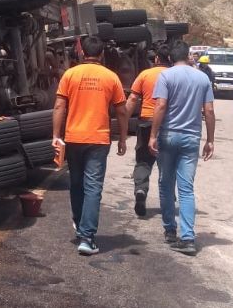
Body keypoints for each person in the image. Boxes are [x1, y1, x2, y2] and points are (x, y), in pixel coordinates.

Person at [52, 36, 128, 256]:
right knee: (93, 186)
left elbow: (59, 106)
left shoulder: (70, 74)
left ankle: (79, 225)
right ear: (101, 54)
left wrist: (55, 136)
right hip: (98, 139)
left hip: (74, 138)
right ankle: (87, 238)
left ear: (82, 53)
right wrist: (123, 138)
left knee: (76, 184)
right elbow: (122, 111)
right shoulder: (111, 77)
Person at [149, 40, 215, 256]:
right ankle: (187, 238)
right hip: (191, 138)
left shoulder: (166, 76)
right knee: (186, 189)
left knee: (166, 184)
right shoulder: (202, 78)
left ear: (170, 58)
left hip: (168, 135)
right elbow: (209, 111)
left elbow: (160, 105)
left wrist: (153, 135)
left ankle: (170, 230)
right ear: (188, 56)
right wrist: (210, 140)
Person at [125, 44, 171, 217]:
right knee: (167, 162)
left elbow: (132, 99)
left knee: (143, 161)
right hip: (168, 124)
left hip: (146, 122)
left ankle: (141, 189)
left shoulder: (145, 74)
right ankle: (168, 197)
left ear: (157, 58)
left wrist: (123, 121)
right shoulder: (174, 76)